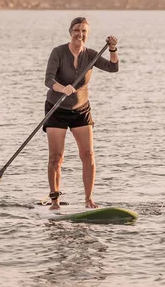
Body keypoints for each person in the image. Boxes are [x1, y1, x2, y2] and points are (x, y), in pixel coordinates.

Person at [43, 16, 119, 210]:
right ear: (70, 32)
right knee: (56, 157)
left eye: (84, 31)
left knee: (88, 154)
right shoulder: (58, 52)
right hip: (56, 108)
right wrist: (62, 88)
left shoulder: (91, 55)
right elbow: (48, 80)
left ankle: (88, 199)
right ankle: (54, 201)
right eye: (77, 30)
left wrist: (112, 49)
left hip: (81, 110)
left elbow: (113, 67)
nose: (80, 34)